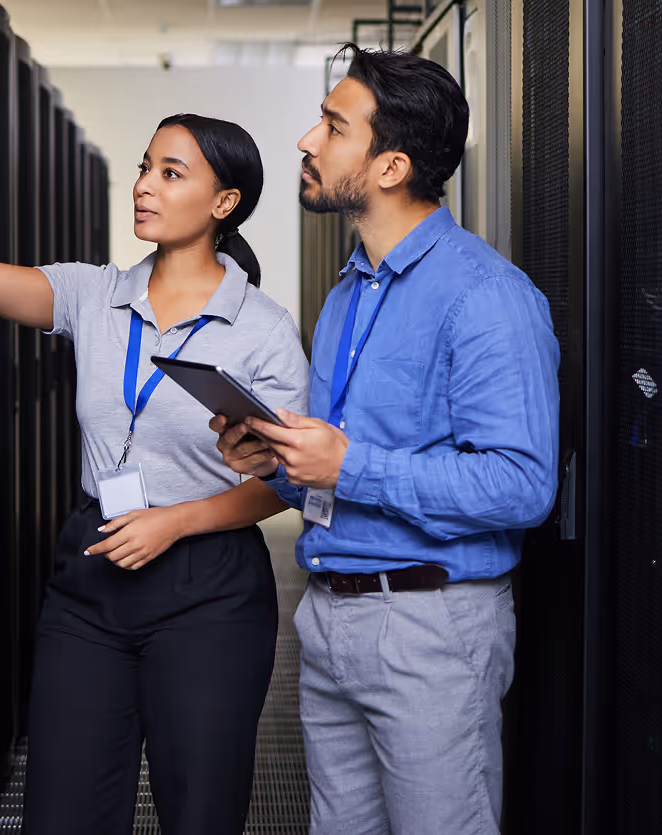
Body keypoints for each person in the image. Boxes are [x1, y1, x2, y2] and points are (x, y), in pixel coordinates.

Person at [0, 102, 309, 834]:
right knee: (62, 810)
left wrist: (174, 521)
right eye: (144, 167)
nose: (144, 185)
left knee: (200, 810)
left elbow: (284, 479)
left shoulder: (260, 327)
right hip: (92, 574)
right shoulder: (94, 294)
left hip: (208, 588)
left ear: (223, 202)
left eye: (171, 173)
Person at [210, 44, 560, 835]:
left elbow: (521, 484)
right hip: (331, 617)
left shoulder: (486, 296)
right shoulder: (348, 291)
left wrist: (349, 463)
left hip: (430, 628)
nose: (307, 139)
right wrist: (280, 464)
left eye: (333, 126)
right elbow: (340, 470)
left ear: (390, 166)